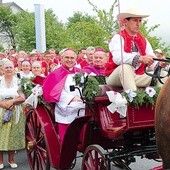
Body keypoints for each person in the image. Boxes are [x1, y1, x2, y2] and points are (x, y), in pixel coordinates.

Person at [105, 8, 167, 91]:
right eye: (135, 20)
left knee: (163, 74)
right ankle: (133, 100)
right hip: (115, 76)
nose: (138, 24)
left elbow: (151, 58)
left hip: (137, 76)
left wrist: (159, 64)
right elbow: (117, 58)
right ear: (125, 21)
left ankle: (158, 102)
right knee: (126, 67)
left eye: (140, 21)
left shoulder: (144, 40)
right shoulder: (117, 37)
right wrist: (140, 58)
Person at [43, 48, 85, 143]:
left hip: (82, 103)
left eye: (72, 58)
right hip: (65, 106)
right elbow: (54, 92)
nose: (69, 60)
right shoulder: (55, 74)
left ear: (75, 59)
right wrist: (72, 98)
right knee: (67, 140)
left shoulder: (81, 72)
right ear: (61, 59)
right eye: (67, 57)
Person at [0, 60, 25, 169]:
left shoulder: (18, 81)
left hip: (16, 110)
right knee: (0, 135)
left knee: (12, 136)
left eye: (10, 67)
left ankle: (11, 159)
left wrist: (12, 102)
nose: (9, 69)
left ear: (13, 69)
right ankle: (0, 161)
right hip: (1, 109)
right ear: (3, 69)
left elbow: (23, 97)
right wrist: (4, 104)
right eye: (6, 68)